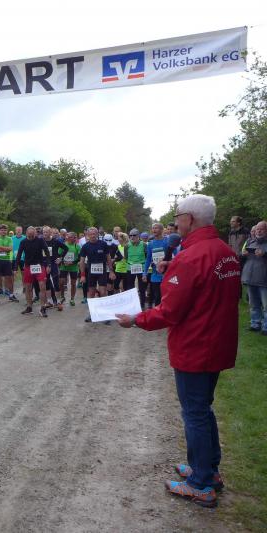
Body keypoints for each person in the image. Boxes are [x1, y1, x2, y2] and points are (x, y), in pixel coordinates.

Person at [117, 194, 240, 508]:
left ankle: (201, 484)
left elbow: (169, 311)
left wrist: (136, 319)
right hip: (218, 342)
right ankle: (208, 470)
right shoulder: (224, 252)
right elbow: (207, 282)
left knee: (195, 413)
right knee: (203, 408)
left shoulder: (191, 257)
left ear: (190, 219)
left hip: (195, 345)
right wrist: (174, 266)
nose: (175, 222)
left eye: (177, 216)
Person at [79, 227, 116, 323]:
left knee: (103, 292)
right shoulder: (85, 246)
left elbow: (108, 258)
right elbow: (82, 261)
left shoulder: (103, 244)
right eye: (90, 234)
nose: (92, 236)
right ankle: (91, 313)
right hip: (91, 272)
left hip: (102, 271)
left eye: (94, 234)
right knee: (91, 293)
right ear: (88, 235)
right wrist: (82, 275)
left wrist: (111, 271)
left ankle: (105, 314)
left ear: (97, 234)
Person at [16, 226, 50, 317]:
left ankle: (43, 307)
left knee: (42, 286)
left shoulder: (40, 240)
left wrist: (48, 265)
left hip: (39, 266)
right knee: (28, 287)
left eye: (32, 235)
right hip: (28, 266)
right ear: (26, 234)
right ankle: (29, 307)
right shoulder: (23, 242)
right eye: (29, 236)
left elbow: (47, 252)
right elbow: (19, 254)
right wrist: (15, 268)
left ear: (35, 233)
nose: (31, 237)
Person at [241, 221, 267, 334]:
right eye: (257, 229)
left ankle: (266, 327)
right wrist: (243, 254)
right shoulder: (249, 241)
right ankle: (255, 323)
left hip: (264, 279)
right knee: (253, 304)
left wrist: (264, 254)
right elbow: (241, 258)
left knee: (266, 305)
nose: (259, 231)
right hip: (250, 278)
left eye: (261, 229)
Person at [42, 226, 67, 310]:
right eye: (44, 232)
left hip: (53, 264)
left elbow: (66, 248)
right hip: (44, 264)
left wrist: (60, 258)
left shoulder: (55, 241)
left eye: (47, 232)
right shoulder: (41, 241)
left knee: (56, 282)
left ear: (50, 233)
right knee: (47, 282)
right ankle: (49, 302)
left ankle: (59, 302)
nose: (45, 233)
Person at [0, 225, 17, 302]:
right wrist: (5, 249)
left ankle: (11, 295)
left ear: (7, 231)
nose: (3, 232)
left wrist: (1, 247)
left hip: (6, 260)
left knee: (9, 278)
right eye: (2, 230)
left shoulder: (9, 238)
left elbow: (10, 249)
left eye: (5, 230)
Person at [145, 223, 168, 308]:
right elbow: (148, 259)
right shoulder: (150, 244)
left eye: (156, 228)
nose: (154, 230)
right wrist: (144, 273)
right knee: (157, 297)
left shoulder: (167, 242)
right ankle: (158, 313)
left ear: (161, 230)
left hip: (166, 274)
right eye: (153, 228)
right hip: (155, 274)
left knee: (165, 297)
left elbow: (175, 256)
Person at [125, 229, 148, 308]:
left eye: (134, 235)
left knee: (142, 287)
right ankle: (131, 304)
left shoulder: (144, 245)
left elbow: (147, 256)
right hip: (130, 267)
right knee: (130, 287)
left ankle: (142, 304)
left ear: (138, 236)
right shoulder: (127, 245)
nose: (132, 237)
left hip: (141, 267)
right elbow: (126, 257)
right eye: (130, 235)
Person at [60, 232, 81, 306]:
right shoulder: (63, 245)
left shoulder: (77, 246)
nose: (74, 239)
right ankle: (62, 297)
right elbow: (59, 255)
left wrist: (72, 262)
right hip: (64, 266)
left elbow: (79, 257)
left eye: (75, 237)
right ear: (68, 238)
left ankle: (72, 299)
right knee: (61, 282)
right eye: (73, 237)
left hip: (73, 267)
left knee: (73, 283)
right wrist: (63, 262)